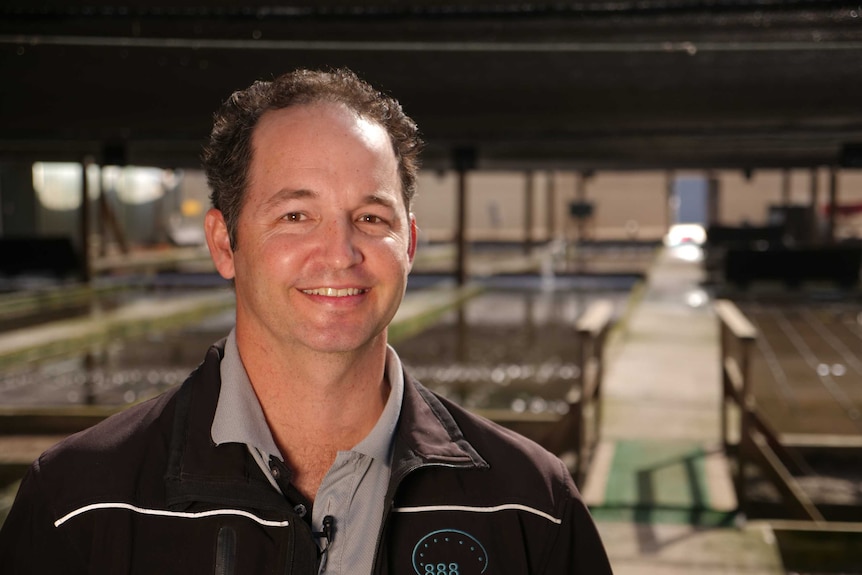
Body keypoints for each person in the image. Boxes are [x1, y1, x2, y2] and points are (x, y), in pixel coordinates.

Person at [0, 68, 613, 574]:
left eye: (371, 219)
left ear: (410, 245)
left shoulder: (533, 506)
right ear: (224, 243)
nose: (340, 253)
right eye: (295, 216)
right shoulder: (78, 504)